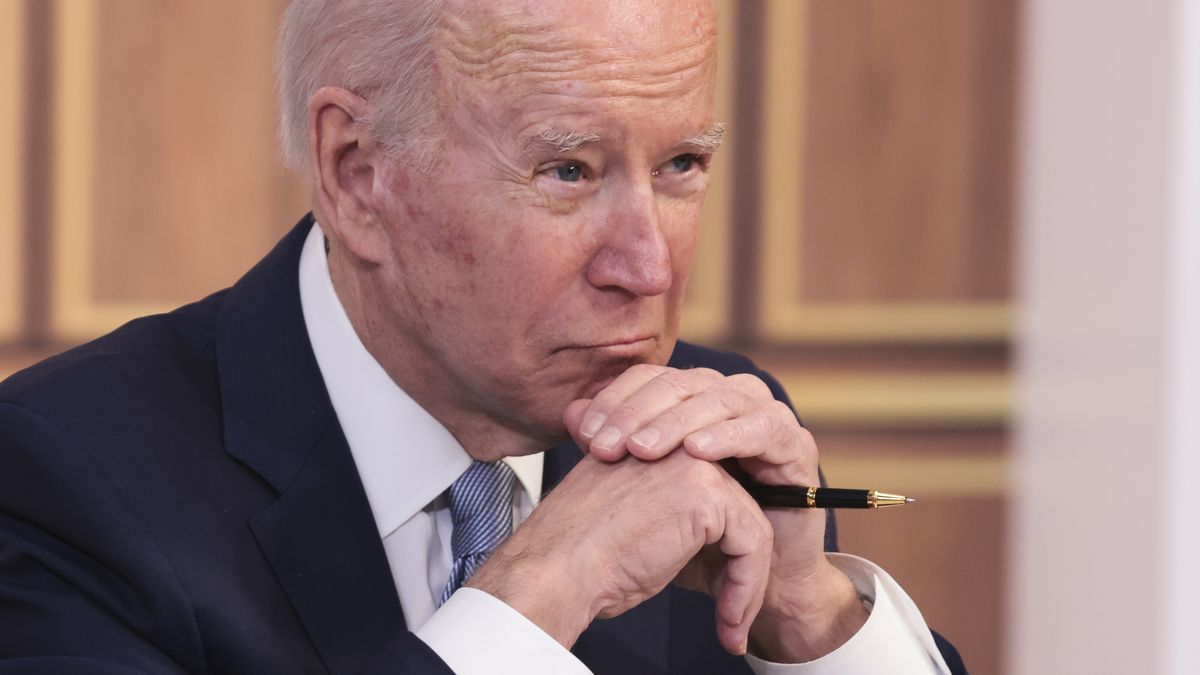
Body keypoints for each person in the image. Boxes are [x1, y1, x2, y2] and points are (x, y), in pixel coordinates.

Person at [0, 0, 966, 673]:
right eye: (568, 170)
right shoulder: (65, 479)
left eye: (681, 162)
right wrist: (541, 589)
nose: (650, 267)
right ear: (358, 174)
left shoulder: (717, 426)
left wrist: (812, 620)